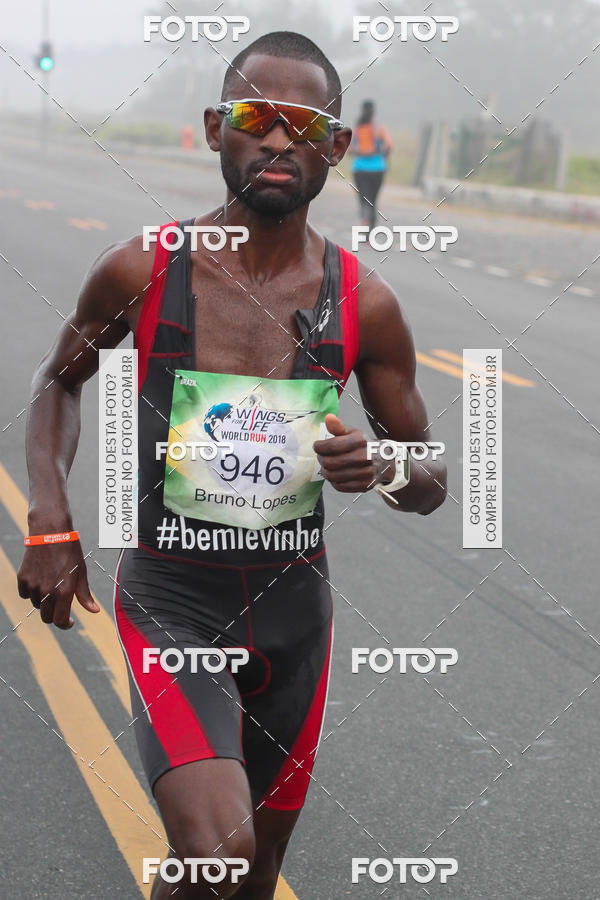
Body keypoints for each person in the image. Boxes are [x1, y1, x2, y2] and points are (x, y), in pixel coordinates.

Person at [17, 31, 446, 900]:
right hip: (172, 601)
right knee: (222, 850)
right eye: (256, 117)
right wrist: (50, 519)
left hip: (296, 620)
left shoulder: (367, 303)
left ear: (337, 148)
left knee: (244, 881)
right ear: (218, 128)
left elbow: (432, 478)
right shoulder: (143, 266)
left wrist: (385, 467)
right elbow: (58, 382)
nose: (279, 140)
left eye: (305, 124)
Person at [350, 99, 393, 231]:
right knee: (373, 201)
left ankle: (364, 219)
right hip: (377, 169)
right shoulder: (380, 129)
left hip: (360, 169)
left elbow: (350, 150)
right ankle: (370, 233)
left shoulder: (358, 128)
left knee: (363, 198)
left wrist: (361, 152)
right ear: (374, 112)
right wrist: (382, 157)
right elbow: (389, 145)